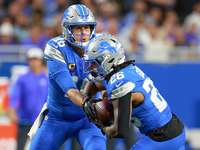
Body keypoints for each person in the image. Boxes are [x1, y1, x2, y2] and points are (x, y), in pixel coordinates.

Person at [82, 34, 186, 150]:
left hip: (163, 137)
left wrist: (102, 127)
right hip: (175, 128)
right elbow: (93, 84)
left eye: (94, 62)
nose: (91, 67)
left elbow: (120, 131)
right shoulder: (122, 71)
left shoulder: (119, 83)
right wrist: (86, 99)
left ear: (109, 60)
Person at [28, 4, 106, 150]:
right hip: (57, 118)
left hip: (87, 119)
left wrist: (109, 105)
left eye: (87, 27)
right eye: (78, 28)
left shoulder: (103, 46)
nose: (83, 32)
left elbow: (111, 81)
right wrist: (88, 104)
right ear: (67, 29)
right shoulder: (56, 47)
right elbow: (70, 89)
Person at [8, 47, 49, 150]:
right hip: (24, 119)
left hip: (40, 120)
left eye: (37, 59)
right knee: (20, 146)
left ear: (41, 61)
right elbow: (15, 96)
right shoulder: (22, 78)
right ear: (28, 61)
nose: (34, 62)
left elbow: (49, 99)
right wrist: (12, 111)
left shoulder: (46, 78)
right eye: (32, 59)